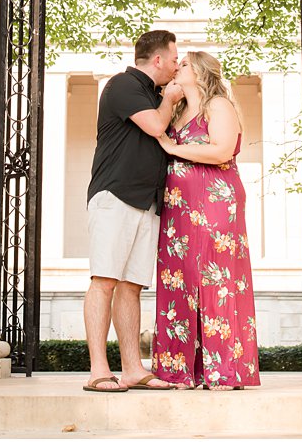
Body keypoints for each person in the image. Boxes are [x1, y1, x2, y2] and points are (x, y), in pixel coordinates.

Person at [82, 29, 184, 392]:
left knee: (131, 287)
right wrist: (170, 99)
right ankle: (98, 370)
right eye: (174, 59)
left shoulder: (153, 94)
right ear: (157, 60)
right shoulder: (122, 85)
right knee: (105, 281)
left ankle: (132, 369)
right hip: (114, 196)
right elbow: (156, 126)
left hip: (147, 202)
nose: (176, 66)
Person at [152, 50, 261, 390]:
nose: (175, 67)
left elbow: (221, 150)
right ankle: (179, 371)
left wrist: (171, 147)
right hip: (178, 210)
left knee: (217, 279)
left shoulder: (218, 105)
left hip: (216, 201)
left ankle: (224, 371)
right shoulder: (178, 112)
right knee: (178, 281)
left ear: (198, 73)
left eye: (182, 64)